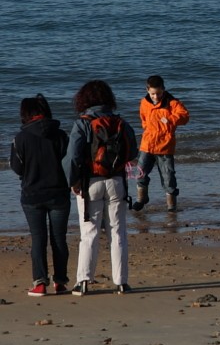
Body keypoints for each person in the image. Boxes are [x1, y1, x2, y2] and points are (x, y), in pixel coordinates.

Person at [62, 80, 138, 295]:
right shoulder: (121, 122)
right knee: (118, 232)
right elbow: (132, 152)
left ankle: (84, 281)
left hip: (90, 183)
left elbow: (73, 157)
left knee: (90, 233)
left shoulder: (82, 123)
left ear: (83, 99)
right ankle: (122, 282)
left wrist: (72, 182)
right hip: (116, 182)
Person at [10, 94, 71, 296]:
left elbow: (17, 168)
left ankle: (40, 282)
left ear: (25, 114)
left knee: (38, 239)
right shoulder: (61, 135)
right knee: (59, 238)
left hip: (32, 194)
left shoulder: (21, 138)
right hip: (59, 193)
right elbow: (69, 163)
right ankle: (60, 281)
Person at [132, 75, 189, 212]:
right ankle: (142, 198)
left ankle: (171, 206)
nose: (156, 97)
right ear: (147, 90)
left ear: (163, 90)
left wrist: (169, 119)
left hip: (165, 146)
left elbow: (185, 117)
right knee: (140, 173)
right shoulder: (144, 102)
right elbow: (143, 119)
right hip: (147, 144)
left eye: (158, 93)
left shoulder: (173, 103)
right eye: (152, 94)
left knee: (168, 177)